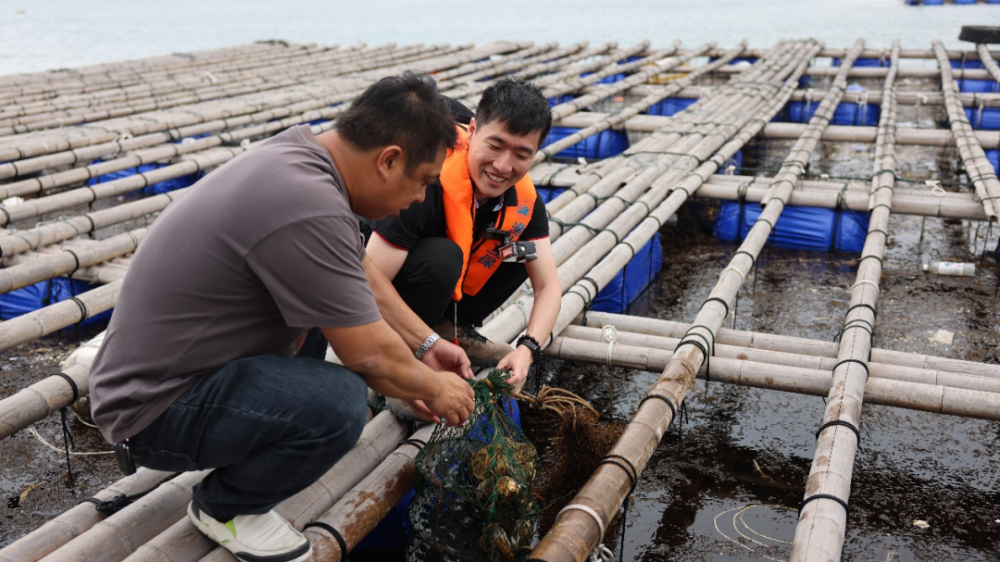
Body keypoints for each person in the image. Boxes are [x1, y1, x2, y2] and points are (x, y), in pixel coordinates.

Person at [88, 72, 476, 562]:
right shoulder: (308, 203)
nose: (421, 198)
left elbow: (356, 270)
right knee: (341, 403)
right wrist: (433, 387)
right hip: (150, 409)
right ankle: (225, 507)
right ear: (389, 160)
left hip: (180, 369)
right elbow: (370, 355)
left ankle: (246, 450)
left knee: (334, 324)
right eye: (421, 182)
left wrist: (423, 347)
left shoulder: (303, 156)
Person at [365, 77, 561, 394]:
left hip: (441, 289)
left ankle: (448, 328)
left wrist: (526, 350)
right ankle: (401, 361)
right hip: (380, 272)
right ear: (471, 131)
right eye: (495, 146)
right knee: (443, 258)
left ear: (536, 154)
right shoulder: (424, 181)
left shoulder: (525, 202)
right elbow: (367, 282)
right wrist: (420, 349)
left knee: (522, 250)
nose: (502, 165)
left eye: (521, 155)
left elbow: (549, 285)